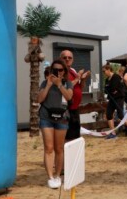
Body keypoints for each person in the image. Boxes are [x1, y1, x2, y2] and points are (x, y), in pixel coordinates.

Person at [38, 59, 73, 189]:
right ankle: (50, 177)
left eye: (60, 70)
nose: (57, 72)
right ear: (51, 70)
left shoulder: (67, 83)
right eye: (55, 70)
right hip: (46, 117)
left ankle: (58, 175)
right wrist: (48, 84)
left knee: (59, 148)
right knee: (49, 148)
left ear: (64, 72)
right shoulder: (44, 82)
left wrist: (59, 85)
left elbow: (69, 97)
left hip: (62, 118)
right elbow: (39, 99)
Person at [102, 64, 127, 140]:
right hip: (112, 99)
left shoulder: (116, 77)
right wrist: (111, 90)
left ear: (109, 69)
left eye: (104, 71)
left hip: (119, 98)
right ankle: (113, 133)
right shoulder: (107, 80)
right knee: (108, 114)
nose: (103, 73)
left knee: (121, 115)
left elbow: (113, 88)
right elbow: (106, 90)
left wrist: (111, 90)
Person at [61, 50, 90, 142]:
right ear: (60, 59)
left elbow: (80, 87)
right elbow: (65, 88)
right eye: (65, 57)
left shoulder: (72, 70)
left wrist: (83, 79)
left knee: (75, 135)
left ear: (73, 59)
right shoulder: (61, 71)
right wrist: (78, 78)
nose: (67, 59)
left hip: (75, 107)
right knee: (68, 136)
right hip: (66, 108)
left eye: (69, 57)